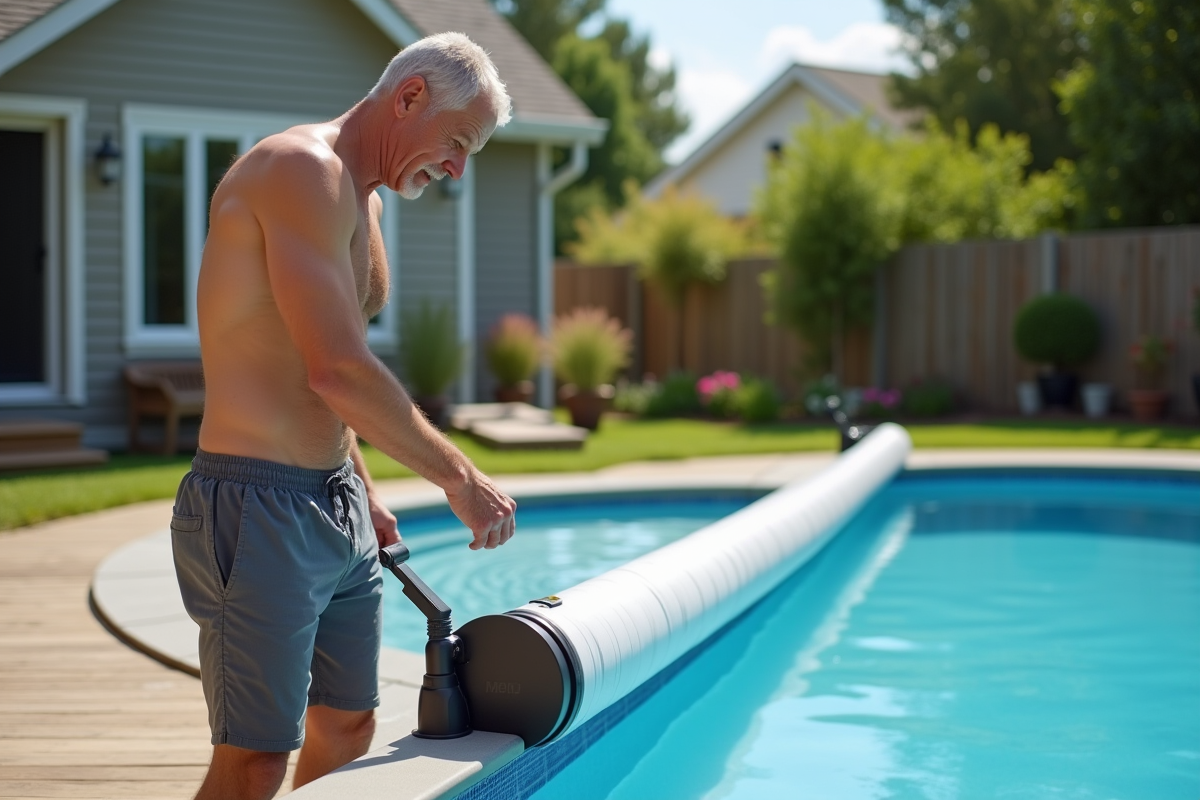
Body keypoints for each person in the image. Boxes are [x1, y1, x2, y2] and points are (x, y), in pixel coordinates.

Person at [169, 32, 518, 800]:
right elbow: (338, 367)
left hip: (333, 498)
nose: (458, 167)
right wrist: (459, 477)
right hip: (254, 504)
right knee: (255, 759)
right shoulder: (298, 170)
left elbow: (318, 375)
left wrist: (363, 486)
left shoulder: (363, 201)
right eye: (459, 142)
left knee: (348, 725)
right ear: (410, 97)